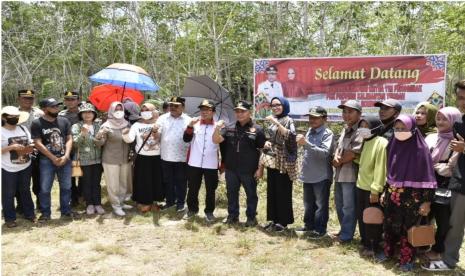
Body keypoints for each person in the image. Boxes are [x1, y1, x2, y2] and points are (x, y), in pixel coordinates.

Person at [376, 114, 437, 272]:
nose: (399, 131)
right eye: (396, 129)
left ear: (413, 129)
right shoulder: (392, 145)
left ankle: (407, 259)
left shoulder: (421, 149)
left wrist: (427, 201)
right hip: (393, 194)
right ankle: (388, 252)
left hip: (412, 198)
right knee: (389, 225)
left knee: (408, 229)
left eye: (403, 128)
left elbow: (428, 177)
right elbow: (389, 173)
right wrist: (384, 192)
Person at [423, 80, 465, 271]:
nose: (461, 102)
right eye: (459, 97)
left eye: (464, 98)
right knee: (454, 225)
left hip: (453, 178)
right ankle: (448, 260)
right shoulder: (461, 123)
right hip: (460, 182)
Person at [213, 100, 266, 226]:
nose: (239, 114)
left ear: (250, 112)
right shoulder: (230, 127)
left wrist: (261, 169)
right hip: (231, 168)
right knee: (231, 193)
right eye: (237, 111)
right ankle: (232, 216)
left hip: (249, 170)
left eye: (243, 111)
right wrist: (216, 128)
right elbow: (216, 140)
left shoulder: (257, 129)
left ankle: (251, 218)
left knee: (251, 194)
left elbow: (264, 150)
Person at [31, 97, 74, 221]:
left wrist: (66, 156)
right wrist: (53, 157)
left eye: (57, 106)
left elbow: (69, 139)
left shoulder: (64, 121)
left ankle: (65, 211)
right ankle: (45, 213)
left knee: (66, 187)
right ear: (44, 109)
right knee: (45, 188)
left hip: (64, 159)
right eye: (53, 106)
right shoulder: (37, 123)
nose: (57, 108)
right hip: (46, 161)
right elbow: (37, 142)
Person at [260, 97, 298, 232]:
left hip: (284, 160)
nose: (275, 107)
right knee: (272, 190)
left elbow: (291, 137)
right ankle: (274, 219)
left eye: (278, 105)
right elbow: (271, 137)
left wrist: (275, 123)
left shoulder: (288, 120)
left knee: (283, 190)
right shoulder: (273, 121)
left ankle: (283, 222)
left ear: (284, 106)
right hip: (272, 159)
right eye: (273, 105)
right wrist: (268, 142)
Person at [296, 106, 334, 238]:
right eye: (310, 117)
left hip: (321, 176)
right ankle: (309, 226)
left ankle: (320, 230)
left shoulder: (327, 133)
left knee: (320, 206)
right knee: (308, 204)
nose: (312, 120)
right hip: (308, 175)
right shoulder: (309, 131)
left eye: (316, 117)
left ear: (324, 118)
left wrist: (306, 143)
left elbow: (325, 153)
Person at [331, 100, 364, 243]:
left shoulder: (361, 129)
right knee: (339, 204)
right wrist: (334, 158)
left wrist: (339, 161)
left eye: (350, 112)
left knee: (349, 207)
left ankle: (346, 236)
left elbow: (354, 153)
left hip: (351, 175)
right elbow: (339, 149)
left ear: (359, 114)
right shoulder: (345, 128)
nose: (346, 115)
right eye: (344, 111)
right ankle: (343, 230)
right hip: (339, 173)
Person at [183, 99, 220, 222]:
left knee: (211, 189)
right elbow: (186, 139)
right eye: (202, 110)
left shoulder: (218, 126)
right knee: (193, 188)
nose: (204, 112)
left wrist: (223, 164)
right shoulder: (195, 123)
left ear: (213, 112)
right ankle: (192, 210)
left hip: (211, 163)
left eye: (208, 110)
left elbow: (223, 146)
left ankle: (209, 212)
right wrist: (189, 126)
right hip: (194, 161)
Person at [355, 116, 387, 257]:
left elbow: (381, 168)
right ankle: (365, 242)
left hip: (371, 189)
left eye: (366, 126)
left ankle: (373, 246)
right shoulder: (366, 141)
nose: (363, 129)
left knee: (372, 220)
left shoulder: (381, 142)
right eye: (361, 126)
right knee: (362, 217)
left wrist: (375, 190)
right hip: (360, 186)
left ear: (375, 127)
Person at [122, 103, 163, 213]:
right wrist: (125, 134)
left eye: (148, 109)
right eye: (143, 110)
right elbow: (130, 139)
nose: (145, 112)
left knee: (156, 179)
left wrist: (156, 131)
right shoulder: (136, 125)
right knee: (143, 180)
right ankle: (143, 201)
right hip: (142, 157)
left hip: (158, 157)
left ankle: (155, 201)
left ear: (154, 111)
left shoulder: (160, 123)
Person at [95, 102, 132, 216]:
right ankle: (115, 205)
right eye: (116, 109)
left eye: (121, 109)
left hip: (125, 158)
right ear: (111, 111)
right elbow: (99, 144)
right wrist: (99, 135)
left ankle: (121, 202)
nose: (119, 111)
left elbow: (131, 140)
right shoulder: (106, 125)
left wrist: (127, 134)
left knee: (123, 182)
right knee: (113, 184)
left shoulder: (127, 124)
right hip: (110, 159)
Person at [2, 106, 36, 227]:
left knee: (25, 190)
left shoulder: (23, 128)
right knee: (8, 193)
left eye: (16, 116)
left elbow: (30, 141)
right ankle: (10, 218)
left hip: (25, 165)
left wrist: (31, 145)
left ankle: (30, 213)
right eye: (11, 117)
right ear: (4, 117)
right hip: (7, 168)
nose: (14, 118)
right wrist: (11, 147)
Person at [156, 96, 191, 212]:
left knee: (181, 181)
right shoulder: (162, 118)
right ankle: (170, 201)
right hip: (166, 155)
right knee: (168, 180)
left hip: (182, 156)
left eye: (176, 106)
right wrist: (154, 132)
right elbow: (157, 136)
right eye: (171, 105)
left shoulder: (188, 120)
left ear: (183, 107)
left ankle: (181, 203)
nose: (173, 108)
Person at [71, 103, 105, 215]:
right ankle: (89, 204)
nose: (87, 114)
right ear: (81, 114)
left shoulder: (98, 126)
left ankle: (98, 204)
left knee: (96, 182)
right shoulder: (76, 126)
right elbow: (75, 144)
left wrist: (99, 138)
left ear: (94, 114)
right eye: (84, 112)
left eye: (90, 112)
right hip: (84, 160)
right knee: (86, 182)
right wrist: (83, 133)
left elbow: (102, 143)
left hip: (98, 159)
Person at [17, 89, 44, 211]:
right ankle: (21, 205)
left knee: (38, 178)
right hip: (19, 151)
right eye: (25, 98)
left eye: (30, 98)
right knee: (21, 180)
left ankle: (40, 202)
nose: (28, 100)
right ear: (19, 99)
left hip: (37, 150)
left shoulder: (40, 113)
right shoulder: (12, 113)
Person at [59, 90, 82, 207]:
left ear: (78, 100)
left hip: (81, 149)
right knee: (69, 175)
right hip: (67, 149)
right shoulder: (61, 114)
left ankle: (82, 195)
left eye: (73, 99)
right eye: (67, 99)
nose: (70, 101)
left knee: (83, 174)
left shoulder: (83, 113)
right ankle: (73, 198)